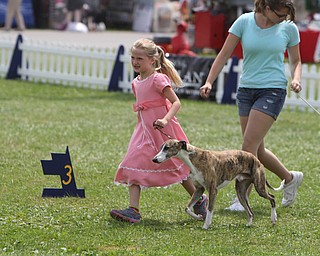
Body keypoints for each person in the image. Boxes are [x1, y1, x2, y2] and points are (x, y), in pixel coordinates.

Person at [199, 0, 303, 211]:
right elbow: (224, 54)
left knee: (247, 148)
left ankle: (241, 200)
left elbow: (296, 61)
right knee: (258, 150)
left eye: (286, 16)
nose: (283, 19)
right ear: (266, 7)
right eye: (280, 15)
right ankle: (290, 178)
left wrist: (296, 78)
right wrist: (209, 80)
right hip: (246, 90)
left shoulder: (289, 28)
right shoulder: (244, 22)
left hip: (272, 90)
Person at [110, 38, 207, 223]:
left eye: (139, 58)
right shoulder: (136, 82)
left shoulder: (158, 79)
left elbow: (176, 102)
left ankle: (199, 199)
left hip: (163, 131)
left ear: (152, 60)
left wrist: (164, 119)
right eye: (133, 58)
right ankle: (133, 210)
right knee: (133, 162)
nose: (135, 62)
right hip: (144, 133)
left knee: (177, 168)